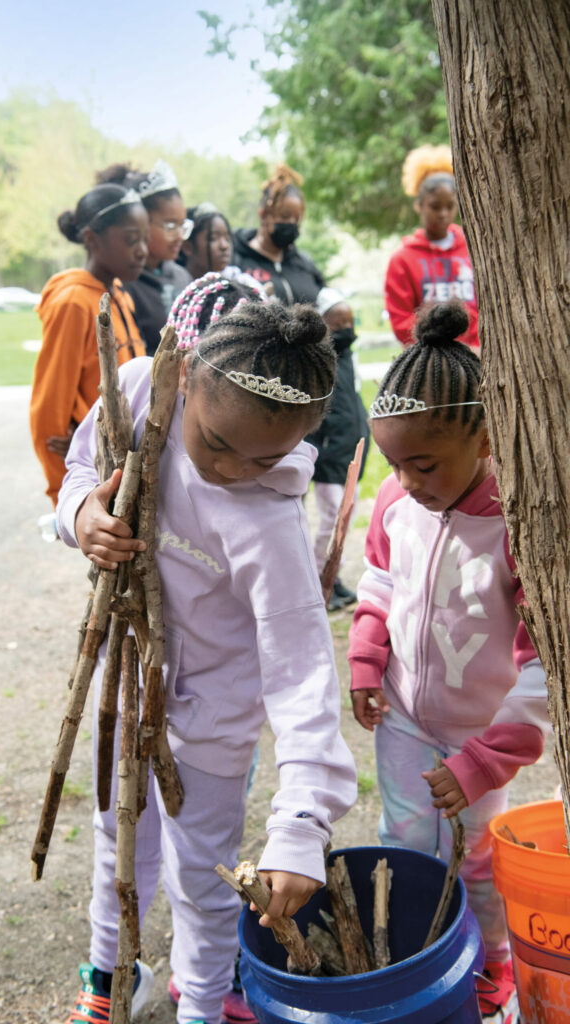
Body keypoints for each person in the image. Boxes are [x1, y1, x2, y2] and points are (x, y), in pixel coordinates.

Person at [56, 276, 358, 1023]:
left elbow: (302, 676)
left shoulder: (270, 523)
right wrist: (82, 515)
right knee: (118, 836)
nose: (231, 469)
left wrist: (299, 823)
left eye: (264, 459)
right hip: (130, 685)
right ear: (185, 375)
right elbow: (82, 471)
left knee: (202, 869)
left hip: (216, 722)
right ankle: (110, 973)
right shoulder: (137, 392)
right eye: (218, 444)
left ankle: (204, 997)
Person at [347, 300, 549, 1022]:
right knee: (404, 844)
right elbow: (378, 585)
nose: (405, 480)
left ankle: (491, 963)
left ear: (486, 438)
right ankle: (424, 957)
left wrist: (485, 760)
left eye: (423, 463)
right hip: (403, 717)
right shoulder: (396, 506)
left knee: (479, 859)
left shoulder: (519, 527)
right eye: (394, 463)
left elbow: (543, 675)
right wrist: (368, 661)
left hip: (479, 735)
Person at [30, 184, 148, 507]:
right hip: (98, 485)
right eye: (130, 239)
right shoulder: (73, 303)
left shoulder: (120, 294)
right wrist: (68, 500)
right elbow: (48, 416)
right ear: (91, 239)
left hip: (132, 477)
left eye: (145, 239)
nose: (142, 250)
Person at [305, 287, 370, 612]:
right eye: (338, 324)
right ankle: (319, 576)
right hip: (331, 457)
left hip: (352, 452)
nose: (347, 331)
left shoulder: (348, 359)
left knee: (345, 518)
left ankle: (335, 576)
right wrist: (323, 450)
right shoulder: (321, 361)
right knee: (332, 519)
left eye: (350, 323)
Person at [384, 145, 479, 348]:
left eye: (450, 206)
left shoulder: (475, 248)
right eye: (435, 206)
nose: (443, 213)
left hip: (478, 355)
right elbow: (402, 321)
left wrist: (477, 346)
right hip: (428, 359)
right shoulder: (402, 259)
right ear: (419, 205)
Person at [96, 160, 192, 355]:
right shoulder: (121, 283)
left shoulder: (182, 276)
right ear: (140, 222)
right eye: (171, 226)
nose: (180, 235)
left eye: (183, 225)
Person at [232, 164, 325, 305]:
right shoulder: (236, 260)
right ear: (264, 215)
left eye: (297, 219)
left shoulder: (305, 264)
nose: (292, 223)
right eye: (285, 217)